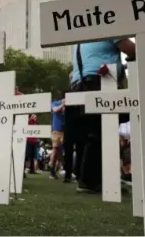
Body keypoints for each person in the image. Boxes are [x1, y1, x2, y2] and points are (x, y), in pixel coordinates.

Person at [71, 38, 135, 193]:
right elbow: (133, 49)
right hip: (99, 80)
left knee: (93, 131)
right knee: (101, 131)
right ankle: (89, 181)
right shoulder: (109, 26)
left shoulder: (83, 35)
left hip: (80, 83)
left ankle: (98, 179)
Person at [49, 94, 65, 179]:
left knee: (61, 153)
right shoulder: (55, 103)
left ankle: (59, 170)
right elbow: (55, 110)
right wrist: (63, 105)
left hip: (66, 130)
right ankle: (51, 171)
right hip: (57, 130)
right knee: (55, 149)